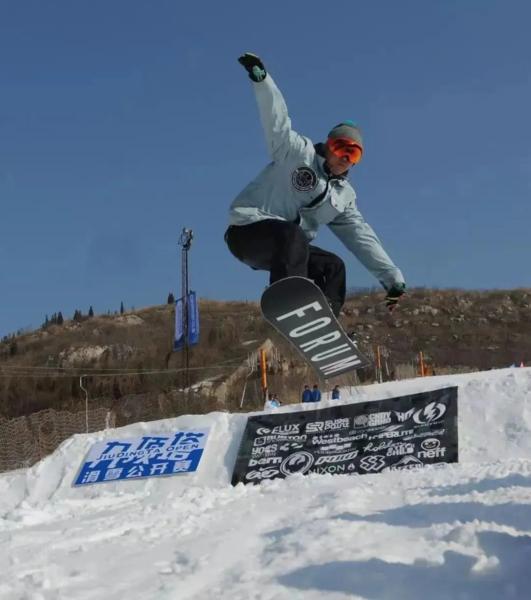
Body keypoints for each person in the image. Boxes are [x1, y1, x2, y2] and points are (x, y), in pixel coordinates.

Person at [225, 52, 406, 316]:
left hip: (287, 252)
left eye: (353, 154)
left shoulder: (342, 198)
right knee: (293, 235)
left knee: (333, 267)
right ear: (328, 145)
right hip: (247, 232)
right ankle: (289, 301)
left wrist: (392, 278)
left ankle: (323, 321)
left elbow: (362, 239)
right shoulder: (296, 152)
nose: (344, 158)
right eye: (341, 148)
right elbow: (276, 121)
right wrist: (263, 82)